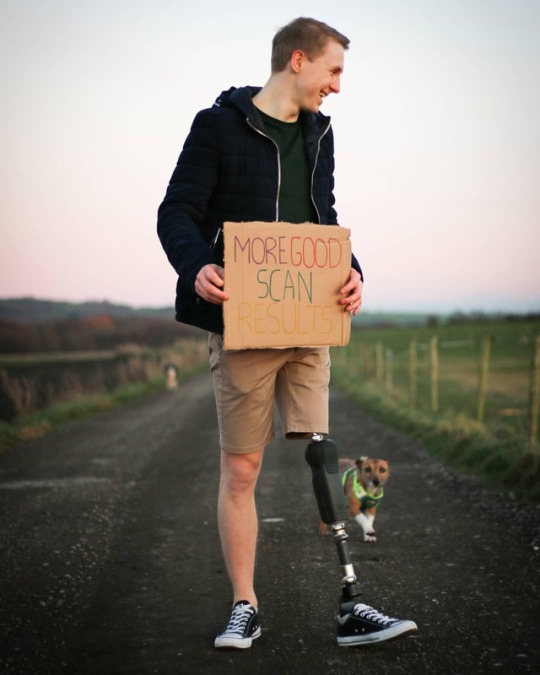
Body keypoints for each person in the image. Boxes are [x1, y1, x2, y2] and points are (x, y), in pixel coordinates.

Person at [157, 16, 417, 649]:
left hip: (308, 320)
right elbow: (176, 212)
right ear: (298, 60)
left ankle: (351, 604)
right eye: (334, 71)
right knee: (243, 468)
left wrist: (352, 271)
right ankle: (244, 605)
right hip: (242, 323)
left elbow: (324, 222)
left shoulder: (319, 134)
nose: (337, 86)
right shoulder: (217, 126)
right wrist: (196, 266)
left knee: (323, 456)